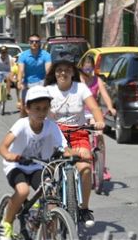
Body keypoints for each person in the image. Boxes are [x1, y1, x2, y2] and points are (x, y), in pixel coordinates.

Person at [0, 86, 70, 240]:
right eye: (37, 109)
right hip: (16, 166)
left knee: (50, 195)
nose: (41, 113)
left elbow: (64, 147)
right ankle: (7, 223)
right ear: (27, 108)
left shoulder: (51, 126)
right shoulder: (21, 125)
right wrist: (10, 155)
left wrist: (73, 154)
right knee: (22, 191)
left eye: (45, 109)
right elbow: (2, 147)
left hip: (38, 166)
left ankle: (50, 239)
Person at [44, 58, 106, 227]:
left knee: (85, 169)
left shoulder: (81, 88)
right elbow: (38, 109)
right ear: (54, 73)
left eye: (67, 70)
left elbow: (94, 108)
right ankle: (49, 196)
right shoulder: (48, 90)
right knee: (48, 168)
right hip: (55, 135)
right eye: (59, 70)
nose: (63, 73)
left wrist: (99, 122)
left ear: (73, 73)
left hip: (78, 134)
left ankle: (84, 208)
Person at [79, 54, 116, 181]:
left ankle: (102, 166)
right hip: (79, 113)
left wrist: (110, 107)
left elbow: (105, 95)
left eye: (90, 69)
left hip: (93, 112)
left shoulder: (97, 80)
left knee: (99, 135)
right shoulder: (78, 81)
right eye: (86, 69)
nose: (88, 71)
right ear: (82, 68)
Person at [17, 34, 52, 117]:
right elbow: (21, 70)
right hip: (27, 83)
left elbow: (48, 70)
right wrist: (19, 82)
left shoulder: (46, 55)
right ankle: (23, 125)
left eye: (36, 41)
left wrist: (48, 82)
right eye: (32, 41)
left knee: (45, 107)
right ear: (29, 43)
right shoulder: (23, 55)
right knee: (23, 108)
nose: (34, 43)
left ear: (39, 43)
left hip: (42, 83)